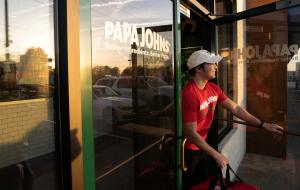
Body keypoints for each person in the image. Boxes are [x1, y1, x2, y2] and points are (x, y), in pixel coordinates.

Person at [182, 50, 283, 189]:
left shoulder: (212, 88)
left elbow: (236, 108)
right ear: (199, 68)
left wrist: (262, 124)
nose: (216, 66)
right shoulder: (189, 94)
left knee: (205, 185)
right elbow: (191, 134)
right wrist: (216, 155)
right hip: (189, 151)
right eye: (211, 63)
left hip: (203, 147)